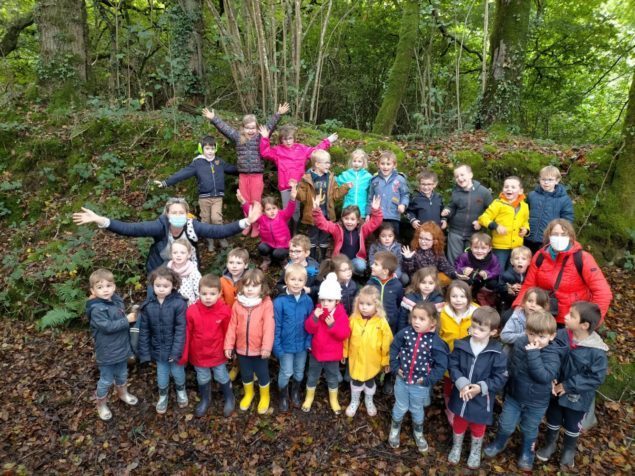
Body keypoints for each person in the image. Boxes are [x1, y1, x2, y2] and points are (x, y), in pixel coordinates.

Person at [72, 198, 261, 273]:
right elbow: (131, 229)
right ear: (167, 214)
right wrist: (100, 220)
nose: (177, 216)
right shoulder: (160, 226)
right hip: (160, 271)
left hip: (188, 272)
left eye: (181, 213)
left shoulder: (191, 226)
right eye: (173, 212)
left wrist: (246, 222)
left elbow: (218, 231)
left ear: (186, 214)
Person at [484, 310, 561, 471]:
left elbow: (544, 377)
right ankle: (500, 442)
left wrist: (533, 354)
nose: (536, 340)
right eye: (532, 334)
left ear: (552, 336)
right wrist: (505, 386)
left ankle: (527, 452)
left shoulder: (552, 354)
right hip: (515, 396)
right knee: (506, 423)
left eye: (542, 337)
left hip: (536, 402)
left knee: (529, 428)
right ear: (526, 331)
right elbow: (512, 365)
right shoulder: (520, 343)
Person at [536, 302, 608, 469]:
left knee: (572, 423)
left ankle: (568, 450)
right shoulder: (560, 335)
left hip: (578, 397)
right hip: (554, 391)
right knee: (553, 417)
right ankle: (550, 444)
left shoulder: (596, 351)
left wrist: (567, 386)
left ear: (584, 325)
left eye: (572, 315)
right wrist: (551, 376)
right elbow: (549, 354)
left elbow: (595, 377)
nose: (566, 316)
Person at [202, 104, 289, 236]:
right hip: (243, 175)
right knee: (244, 200)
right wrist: (214, 118)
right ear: (243, 128)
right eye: (248, 128)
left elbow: (270, 126)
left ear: (257, 127)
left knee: (255, 201)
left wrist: (278, 114)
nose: (251, 130)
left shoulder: (260, 137)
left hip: (256, 175)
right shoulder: (238, 137)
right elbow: (225, 129)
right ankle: (247, 223)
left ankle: (256, 225)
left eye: (253, 128)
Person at [513, 219, 612, 326]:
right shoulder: (540, 256)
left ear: (570, 237)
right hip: (542, 313)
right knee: (509, 317)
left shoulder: (583, 258)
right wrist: (519, 305)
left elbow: (603, 292)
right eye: (555, 234)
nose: (559, 238)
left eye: (563, 234)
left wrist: (591, 322)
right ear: (549, 236)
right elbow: (529, 285)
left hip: (571, 319)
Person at [447, 307, 508, 470]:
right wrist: (461, 382)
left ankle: (475, 450)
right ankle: (457, 446)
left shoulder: (497, 352)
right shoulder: (461, 345)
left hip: (482, 398)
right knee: (459, 421)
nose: (475, 331)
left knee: (478, 425)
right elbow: (453, 365)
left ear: (493, 332)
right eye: (473, 326)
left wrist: (481, 387)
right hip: (461, 393)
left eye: (481, 329)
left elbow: (500, 377)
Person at [154, 135, 238, 251]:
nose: (210, 151)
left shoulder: (219, 162)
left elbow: (233, 169)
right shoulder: (197, 163)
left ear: (216, 148)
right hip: (204, 198)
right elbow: (182, 174)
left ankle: (221, 237)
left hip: (217, 197)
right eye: (207, 148)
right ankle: (210, 241)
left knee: (216, 219)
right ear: (201, 149)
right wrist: (165, 183)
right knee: (205, 220)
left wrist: (248, 169)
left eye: (213, 148)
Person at [388, 302, 449, 452]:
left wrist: (428, 380)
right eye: (414, 317)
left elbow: (441, 365)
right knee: (400, 405)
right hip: (402, 380)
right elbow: (394, 347)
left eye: (422, 319)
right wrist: (395, 367)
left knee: (416, 408)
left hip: (420, 384)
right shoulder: (405, 333)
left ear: (432, 322)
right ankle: (395, 429)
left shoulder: (435, 342)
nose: (416, 321)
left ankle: (418, 432)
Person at [259, 123, 336, 233]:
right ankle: (285, 232)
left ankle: (295, 231)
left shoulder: (302, 149)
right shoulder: (277, 150)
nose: (288, 141)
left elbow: (315, 152)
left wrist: (327, 141)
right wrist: (265, 138)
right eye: (285, 139)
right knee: (287, 210)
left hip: (300, 185)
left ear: (294, 138)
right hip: (285, 186)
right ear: (281, 140)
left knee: (296, 211)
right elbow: (265, 153)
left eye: (290, 138)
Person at [178, 274, 235, 418]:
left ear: (220, 293)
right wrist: (185, 355)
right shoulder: (192, 311)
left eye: (212, 294)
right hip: (199, 353)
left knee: (221, 375)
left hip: (217, 353)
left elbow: (229, 331)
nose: (208, 297)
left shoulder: (224, 310)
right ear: (198, 293)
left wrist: (230, 349)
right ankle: (205, 399)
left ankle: (229, 398)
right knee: (202, 377)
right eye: (204, 294)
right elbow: (187, 334)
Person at [87, 269, 138, 421]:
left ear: (114, 287)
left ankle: (122, 393)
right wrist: (127, 320)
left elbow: (119, 317)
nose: (105, 290)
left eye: (108, 286)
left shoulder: (115, 300)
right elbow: (108, 327)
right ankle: (101, 404)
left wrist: (132, 314)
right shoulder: (96, 309)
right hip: (107, 352)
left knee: (122, 374)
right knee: (106, 380)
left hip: (122, 347)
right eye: (100, 287)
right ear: (93, 291)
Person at [137, 267, 188, 414]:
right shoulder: (148, 306)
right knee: (162, 374)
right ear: (152, 285)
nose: (161, 289)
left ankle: (181, 390)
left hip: (174, 348)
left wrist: (176, 351)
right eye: (158, 286)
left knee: (178, 372)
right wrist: (145, 353)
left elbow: (180, 330)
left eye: (165, 286)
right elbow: (144, 331)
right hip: (158, 349)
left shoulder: (179, 303)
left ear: (173, 286)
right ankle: (163, 395)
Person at [224, 269, 274, 415]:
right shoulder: (237, 304)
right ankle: (249, 394)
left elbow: (269, 327)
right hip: (241, 349)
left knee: (262, 373)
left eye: (254, 285)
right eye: (247, 286)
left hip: (259, 349)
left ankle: (265, 396)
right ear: (241, 287)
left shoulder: (266, 304)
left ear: (262, 287)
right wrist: (228, 345)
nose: (250, 289)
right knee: (246, 373)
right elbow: (232, 326)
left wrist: (266, 347)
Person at [303, 273, 351, 414]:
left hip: (332, 355)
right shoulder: (317, 311)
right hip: (316, 353)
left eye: (329, 300)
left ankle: (333, 399)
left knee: (332, 377)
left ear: (337, 301)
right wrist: (314, 318)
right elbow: (309, 328)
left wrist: (333, 326)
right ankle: (309, 397)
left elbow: (344, 334)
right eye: (323, 300)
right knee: (312, 375)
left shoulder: (341, 314)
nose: (325, 303)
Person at [343, 286, 393, 417]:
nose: (364, 307)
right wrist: (344, 353)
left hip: (372, 360)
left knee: (370, 381)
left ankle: (369, 400)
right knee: (356, 380)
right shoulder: (353, 319)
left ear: (376, 305)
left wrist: (386, 361)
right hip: (356, 358)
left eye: (369, 304)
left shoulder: (381, 322)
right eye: (361, 303)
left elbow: (387, 343)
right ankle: (355, 400)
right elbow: (346, 337)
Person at [296, 149, 351, 260]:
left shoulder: (330, 177)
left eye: (329, 162)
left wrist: (345, 188)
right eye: (325, 163)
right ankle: (311, 259)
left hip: (327, 215)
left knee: (324, 238)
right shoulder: (307, 178)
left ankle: (322, 260)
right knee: (313, 237)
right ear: (316, 164)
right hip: (312, 216)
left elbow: (335, 195)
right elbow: (302, 197)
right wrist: (295, 191)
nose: (328, 165)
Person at [273, 264, 314, 411]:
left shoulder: (308, 301)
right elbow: (276, 326)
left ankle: (295, 391)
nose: (296, 283)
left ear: (305, 282)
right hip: (285, 346)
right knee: (286, 371)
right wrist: (276, 347)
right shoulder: (279, 302)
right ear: (286, 280)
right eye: (293, 279)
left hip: (302, 345)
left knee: (299, 371)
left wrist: (309, 341)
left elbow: (311, 323)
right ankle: (283, 395)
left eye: (300, 280)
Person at [312, 192, 382, 275]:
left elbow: (375, 222)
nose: (349, 222)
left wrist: (376, 210)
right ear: (342, 219)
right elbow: (323, 224)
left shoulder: (363, 229)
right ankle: (342, 276)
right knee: (337, 267)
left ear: (358, 220)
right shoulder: (337, 229)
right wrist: (317, 211)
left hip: (356, 260)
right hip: (341, 260)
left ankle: (355, 276)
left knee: (361, 266)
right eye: (346, 219)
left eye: (352, 219)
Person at [237, 181, 298, 271]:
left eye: (274, 208)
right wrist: (243, 202)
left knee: (278, 254)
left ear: (277, 208)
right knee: (262, 247)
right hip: (269, 243)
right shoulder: (262, 219)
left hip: (282, 245)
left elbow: (290, 209)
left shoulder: (282, 215)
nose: (272, 211)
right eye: (268, 209)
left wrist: (292, 199)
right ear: (264, 211)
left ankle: (283, 261)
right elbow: (251, 213)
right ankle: (267, 260)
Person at [441, 164, 493, 266]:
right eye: (457, 176)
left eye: (462, 175)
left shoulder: (484, 192)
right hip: (455, 232)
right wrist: (446, 213)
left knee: (471, 260)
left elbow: (492, 212)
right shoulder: (456, 192)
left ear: (470, 175)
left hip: (474, 234)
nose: (460, 178)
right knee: (454, 261)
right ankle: (455, 280)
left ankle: (470, 281)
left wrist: (481, 222)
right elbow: (451, 206)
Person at [478, 176, 530, 269]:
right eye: (506, 187)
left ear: (520, 191)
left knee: (513, 271)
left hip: (517, 247)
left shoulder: (524, 206)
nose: (509, 189)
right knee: (498, 270)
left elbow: (525, 221)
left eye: (513, 187)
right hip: (500, 246)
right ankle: (498, 283)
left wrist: (526, 230)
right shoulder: (497, 204)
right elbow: (483, 218)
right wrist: (495, 226)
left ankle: (511, 284)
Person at [525, 165, 574, 254]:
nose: (546, 182)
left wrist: (560, 236)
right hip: (527, 237)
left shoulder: (564, 199)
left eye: (550, 180)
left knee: (542, 263)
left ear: (557, 181)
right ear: (539, 179)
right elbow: (524, 213)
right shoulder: (532, 195)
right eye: (543, 179)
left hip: (547, 240)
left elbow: (567, 220)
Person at [367, 150, 409, 236]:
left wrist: (403, 204)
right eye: (382, 164)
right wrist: (368, 213)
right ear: (378, 164)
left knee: (393, 239)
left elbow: (405, 194)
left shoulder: (400, 179)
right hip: (377, 216)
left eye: (388, 164)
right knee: (378, 239)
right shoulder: (375, 180)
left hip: (393, 216)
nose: (385, 167)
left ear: (394, 165)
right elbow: (370, 198)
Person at [455, 232, 502, 305]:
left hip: (484, 282)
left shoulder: (493, 258)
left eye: (483, 248)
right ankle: (466, 298)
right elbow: (457, 266)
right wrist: (463, 270)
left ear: (489, 249)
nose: (479, 251)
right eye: (476, 247)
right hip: (470, 281)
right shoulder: (465, 256)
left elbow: (496, 271)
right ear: (471, 247)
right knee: (464, 281)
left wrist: (487, 273)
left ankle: (485, 300)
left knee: (493, 284)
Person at [368, 251, 404, 336]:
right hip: (373, 322)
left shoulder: (397, 285)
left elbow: (399, 303)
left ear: (385, 271)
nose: (371, 266)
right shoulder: (370, 283)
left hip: (390, 324)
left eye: (376, 264)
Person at [397, 267, 445, 331]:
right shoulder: (409, 298)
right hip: (410, 331)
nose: (427, 286)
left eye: (431, 283)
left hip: (429, 332)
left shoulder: (438, 300)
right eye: (423, 282)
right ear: (417, 283)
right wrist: (402, 334)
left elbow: (438, 321)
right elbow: (402, 319)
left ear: (435, 284)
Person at [275, 234, 321, 300]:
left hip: (308, 302)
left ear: (307, 253)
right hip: (290, 300)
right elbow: (279, 284)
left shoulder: (315, 269)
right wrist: (285, 289)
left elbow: (321, 287)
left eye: (298, 251)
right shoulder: (288, 267)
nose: (293, 254)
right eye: (291, 251)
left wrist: (310, 290)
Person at [336, 149, 373, 217]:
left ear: (363, 163)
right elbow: (335, 181)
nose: (356, 163)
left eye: (359, 161)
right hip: (347, 210)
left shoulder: (368, 176)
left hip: (361, 211)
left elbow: (373, 189)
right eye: (354, 161)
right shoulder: (346, 175)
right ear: (351, 162)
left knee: (361, 227)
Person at [498, 246, 532, 318]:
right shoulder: (506, 275)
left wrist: (523, 288)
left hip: (524, 304)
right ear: (511, 261)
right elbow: (499, 287)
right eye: (516, 258)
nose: (520, 261)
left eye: (523, 259)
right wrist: (508, 288)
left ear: (529, 262)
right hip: (507, 303)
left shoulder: (530, 274)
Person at [166, 239, 201, 306]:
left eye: (182, 253)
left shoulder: (193, 272)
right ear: (171, 254)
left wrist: (194, 307)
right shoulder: (168, 271)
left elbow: (200, 292)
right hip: (170, 306)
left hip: (188, 307)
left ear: (189, 255)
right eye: (175, 252)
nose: (178, 255)